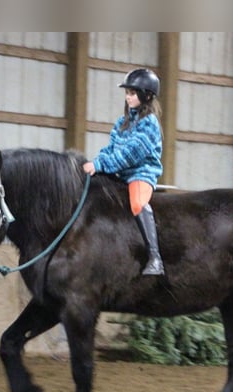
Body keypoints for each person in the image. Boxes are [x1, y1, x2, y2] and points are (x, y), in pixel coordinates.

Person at [83, 68, 165, 276]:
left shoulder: (150, 124)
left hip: (141, 173)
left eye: (132, 93)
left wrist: (101, 166)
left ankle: (155, 257)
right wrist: (96, 162)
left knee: (137, 202)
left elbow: (131, 154)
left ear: (146, 95)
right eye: (127, 93)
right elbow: (110, 149)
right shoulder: (122, 122)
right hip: (121, 173)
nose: (128, 97)